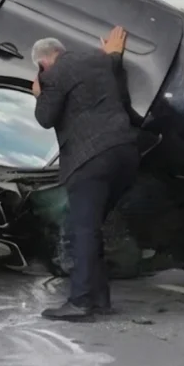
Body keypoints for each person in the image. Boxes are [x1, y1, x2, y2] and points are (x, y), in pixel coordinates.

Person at [30, 26, 141, 322]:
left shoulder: (53, 73)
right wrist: (114, 56)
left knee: (83, 230)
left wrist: (39, 91)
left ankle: (79, 302)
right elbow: (124, 98)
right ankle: (99, 298)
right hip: (125, 153)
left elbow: (45, 118)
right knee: (92, 228)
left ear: (43, 62)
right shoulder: (101, 60)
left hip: (90, 159)